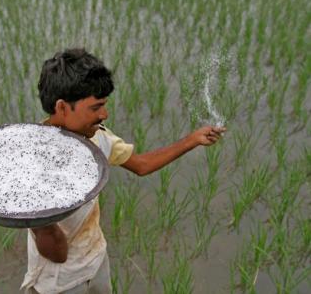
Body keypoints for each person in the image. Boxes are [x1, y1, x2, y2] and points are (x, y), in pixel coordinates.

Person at [20, 48, 226, 294]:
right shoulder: (32, 160)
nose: (104, 114)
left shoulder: (99, 138)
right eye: (95, 108)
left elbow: (141, 165)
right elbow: (57, 253)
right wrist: (39, 223)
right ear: (63, 107)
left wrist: (192, 140)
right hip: (58, 282)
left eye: (104, 105)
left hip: (95, 259)